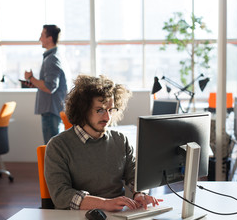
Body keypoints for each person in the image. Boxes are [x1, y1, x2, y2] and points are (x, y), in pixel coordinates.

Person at [45, 75, 162, 211]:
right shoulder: (58, 146)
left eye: (110, 110)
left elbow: (135, 176)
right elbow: (61, 195)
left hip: (116, 217)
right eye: (100, 110)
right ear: (83, 109)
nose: (107, 117)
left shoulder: (120, 140)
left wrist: (140, 193)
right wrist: (104, 204)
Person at [24, 24, 68, 144]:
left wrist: (31, 78)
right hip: (53, 109)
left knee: (52, 150)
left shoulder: (52, 59)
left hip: (51, 111)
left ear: (49, 39)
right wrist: (35, 83)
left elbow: (50, 87)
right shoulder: (55, 56)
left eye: (42, 35)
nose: (40, 39)